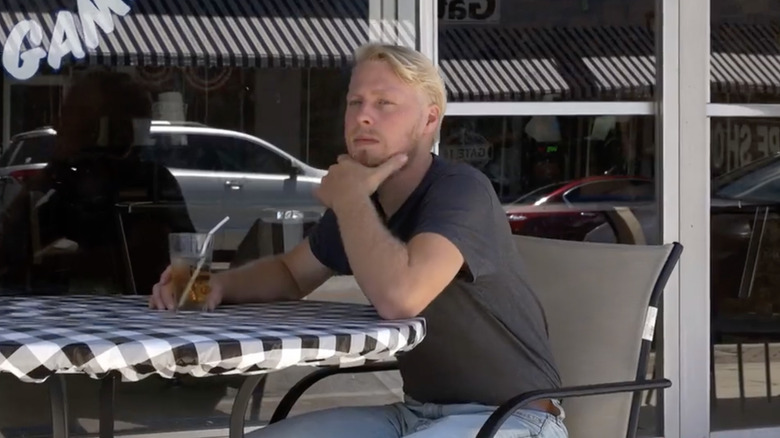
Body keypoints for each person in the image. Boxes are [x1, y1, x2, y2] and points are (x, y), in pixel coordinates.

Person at [149, 43, 568, 438]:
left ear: (428, 120)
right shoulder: (368, 204)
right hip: (415, 415)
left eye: (384, 103)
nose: (363, 117)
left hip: (514, 420)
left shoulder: (461, 190)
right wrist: (208, 284)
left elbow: (402, 297)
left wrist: (349, 197)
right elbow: (292, 274)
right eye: (355, 102)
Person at [0, 71, 194, 294]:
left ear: (97, 129)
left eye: (69, 116)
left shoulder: (150, 183)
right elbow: (11, 248)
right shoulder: (74, 182)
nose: (57, 125)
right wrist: (46, 176)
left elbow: (187, 266)